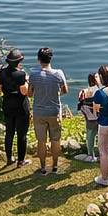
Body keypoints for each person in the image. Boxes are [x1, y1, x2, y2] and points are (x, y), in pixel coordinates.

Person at [29, 47, 68, 175]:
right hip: (54, 111)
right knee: (55, 139)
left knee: (41, 141)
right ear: (51, 58)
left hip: (39, 112)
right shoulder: (59, 73)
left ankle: (43, 167)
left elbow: (30, 94)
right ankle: (55, 166)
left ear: (39, 59)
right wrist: (56, 94)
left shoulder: (34, 74)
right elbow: (65, 90)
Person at [0, 49, 31, 167]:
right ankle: (21, 160)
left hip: (7, 104)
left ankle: (9, 158)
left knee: (9, 132)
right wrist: (26, 80)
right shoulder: (20, 74)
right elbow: (24, 91)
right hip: (20, 106)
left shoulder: (2, 72)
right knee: (21, 134)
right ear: (19, 62)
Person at [74, 72, 101, 163]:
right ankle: (102, 153)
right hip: (100, 116)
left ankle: (90, 154)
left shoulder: (84, 91)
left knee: (90, 135)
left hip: (89, 117)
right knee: (101, 135)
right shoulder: (100, 90)